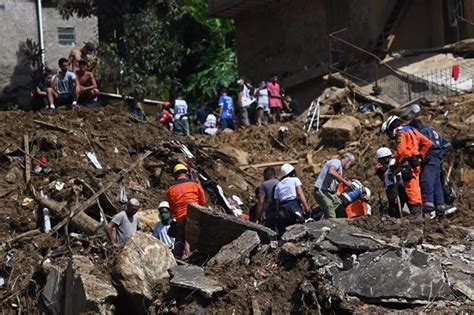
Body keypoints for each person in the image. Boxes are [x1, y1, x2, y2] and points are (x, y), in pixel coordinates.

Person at [381, 115, 432, 219]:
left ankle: (415, 213)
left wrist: (396, 165)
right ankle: (418, 211)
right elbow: (427, 143)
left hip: (407, 163)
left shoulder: (401, 133)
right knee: (416, 187)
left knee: (410, 187)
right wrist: (421, 155)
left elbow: (401, 151)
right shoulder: (413, 130)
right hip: (415, 163)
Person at [409, 119, 452, 220]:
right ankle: (441, 212)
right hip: (436, 160)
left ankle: (429, 210)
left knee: (427, 182)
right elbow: (448, 145)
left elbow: (425, 144)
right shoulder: (434, 131)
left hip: (430, 160)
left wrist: (423, 156)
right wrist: (440, 155)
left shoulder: (423, 132)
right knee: (437, 186)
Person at [166, 163, 206, 258]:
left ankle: (177, 258)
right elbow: (203, 202)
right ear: (186, 173)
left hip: (181, 218)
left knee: (180, 239)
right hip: (196, 216)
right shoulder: (194, 184)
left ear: (175, 175)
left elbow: (172, 209)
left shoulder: (170, 190)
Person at [313, 153, 356, 219]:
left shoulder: (341, 169)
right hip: (321, 190)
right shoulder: (336, 162)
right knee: (331, 213)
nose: (351, 167)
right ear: (348, 160)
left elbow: (336, 180)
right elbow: (332, 171)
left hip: (330, 193)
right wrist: (346, 182)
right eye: (351, 164)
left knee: (340, 211)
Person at [274, 164, 310, 236]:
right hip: (293, 205)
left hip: (282, 208)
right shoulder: (295, 180)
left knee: (284, 231)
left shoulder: (278, 185)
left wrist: (278, 211)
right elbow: (300, 194)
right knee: (300, 226)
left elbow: (277, 201)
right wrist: (307, 207)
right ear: (292, 172)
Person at [374, 147, 407, 218]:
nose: (379, 162)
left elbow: (397, 177)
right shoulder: (387, 166)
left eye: (380, 160)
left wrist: (395, 190)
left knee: (395, 208)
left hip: (396, 188)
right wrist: (379, 172)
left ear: (385, 158)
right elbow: (385, 179)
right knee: (392, 208)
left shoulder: (393, 163)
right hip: (391, 188)